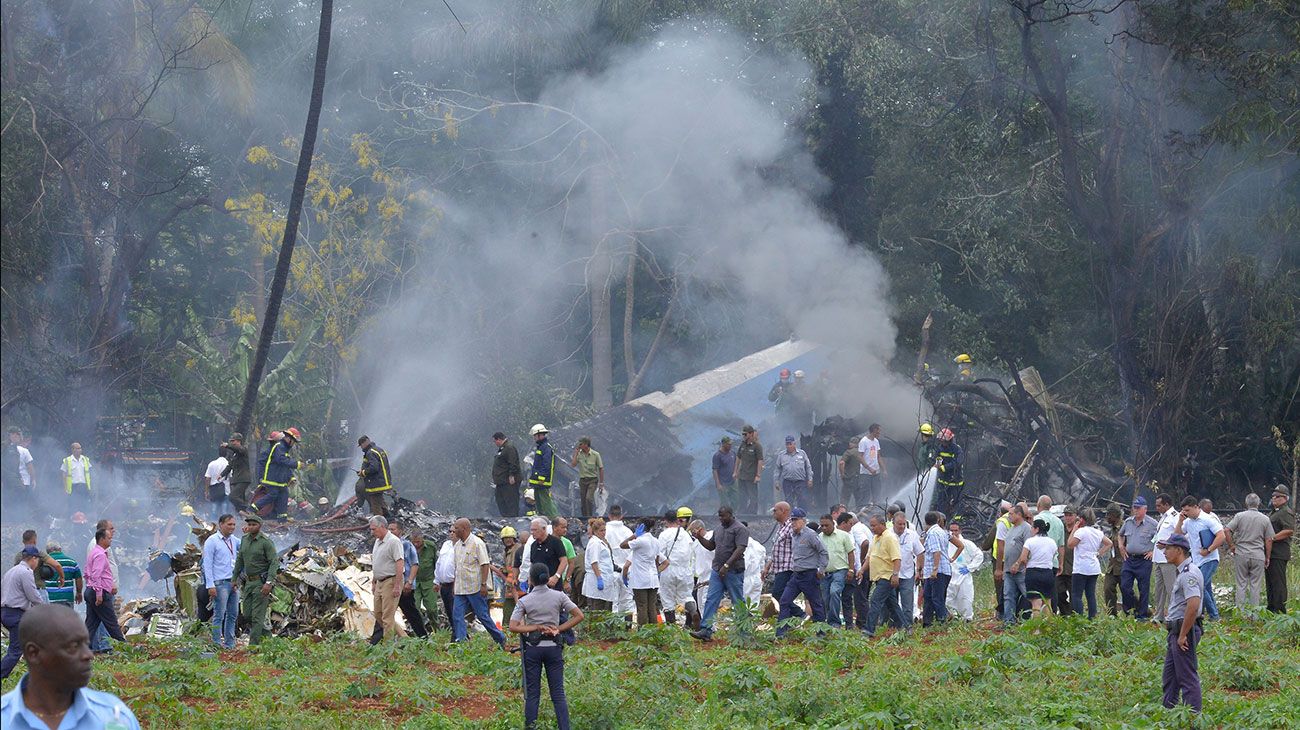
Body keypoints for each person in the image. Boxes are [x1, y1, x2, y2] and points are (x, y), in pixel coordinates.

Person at [0, 604, 142, 730]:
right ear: (34, 653)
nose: (88, 655)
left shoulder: (114, 717)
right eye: (74, 646)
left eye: (86, 645)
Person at [510, 562, 584, 730]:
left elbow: (514, 626)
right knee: (558, 694)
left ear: (530, 580)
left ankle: (531, 727)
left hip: (533, 649)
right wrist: (559, 628)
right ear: (547, 578)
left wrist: (535, 627)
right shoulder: (559, 596)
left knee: (533, 694)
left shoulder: (525, 601)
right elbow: (579, 615)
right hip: (553, 648)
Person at [1157, 533, 1203, 712]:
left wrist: (1183, 634)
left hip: (1184, 631)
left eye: (1168, 549)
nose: (1165, 552)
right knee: (1170, 676)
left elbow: (1193, 605)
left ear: (1179, 550)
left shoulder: (1188, 574)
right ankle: (1168, 710)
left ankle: (1192, 716)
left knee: (1186, 676)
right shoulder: (1184, 572)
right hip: (1177, 631)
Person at [689, 507, 749, 641]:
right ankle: (706, 630)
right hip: (717, 570)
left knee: (737, 600)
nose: (721, 519)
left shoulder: (740, 529)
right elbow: (711, 546)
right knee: (711, 599)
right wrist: (699, 537)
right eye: (720, 516)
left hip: (733, 570)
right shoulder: (719, 529)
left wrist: (727, 565)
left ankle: (744, 632)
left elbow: (740, 549)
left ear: (731, 515)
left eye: (724, 516)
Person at [451, 518, 507, 647]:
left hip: (475, 587)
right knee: (457, 615)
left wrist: (483, 585)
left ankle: (500, 638)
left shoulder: (477, 543)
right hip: (460, 588)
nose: (454, 530)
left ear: (464, 528)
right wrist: (455, 585)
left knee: (482, 616)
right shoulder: (457, 545)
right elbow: (457, 567)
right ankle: (462, 643)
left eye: (456, 528)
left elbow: (485, 565)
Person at [774, 508, 827, 638]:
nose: (793, 522)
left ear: (803, 520)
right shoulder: (794, 535)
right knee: (784, 601)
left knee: (816, 604)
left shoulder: (810, 535)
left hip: (809, 575)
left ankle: (821, 633)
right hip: (796, 575)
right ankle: (781, 632)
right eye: (792, 520)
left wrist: (821, 569)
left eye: (796, 520)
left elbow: (823, 552)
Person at [1173, 496, 1224, 620]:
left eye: (1188, 510)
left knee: (1199, 586)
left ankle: (1213, 615)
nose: (1186, 513)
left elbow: (1221, 535)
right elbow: (1177, 535)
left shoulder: (1208, 519)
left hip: (1209, 559)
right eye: (1184, 511)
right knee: (1206, 587)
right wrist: (1180, 521)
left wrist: (1209, 549)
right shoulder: (1188, 522)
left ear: (1196, 507)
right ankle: (1210, 613)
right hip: (1196, 560)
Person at [233, 514, 277, 645]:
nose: (251, 527)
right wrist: (234, 578)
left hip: (261, 583)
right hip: (248, 582)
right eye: (249, 524)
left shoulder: (265, 542)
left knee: (257, 616)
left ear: (260, 526)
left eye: (254, 525)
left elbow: (274, 563)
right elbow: (240, 559)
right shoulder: (245, 539)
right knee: (247, 614)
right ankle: (268, 637)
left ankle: (253, 646)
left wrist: (269, 582)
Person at [1220, 493, 1271, 608]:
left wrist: (1232, 545)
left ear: (1246, 503)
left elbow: (1227, 530)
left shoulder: (1239, 516)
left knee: (1241, 584)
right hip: (1258, 554)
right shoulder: (1265, 519)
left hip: (1241, 553)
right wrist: (1267, 556)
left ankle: (1240, 613)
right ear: (1258, 503)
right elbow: (1268, 539)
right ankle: (1255, 614)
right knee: (1255, 585)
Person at [2, 548, 45, 679]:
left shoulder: (11, 571)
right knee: (16, 650)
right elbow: (33, 595)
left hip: (6, 612)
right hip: (16, 614)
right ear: (33, 559)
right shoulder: (26, 572)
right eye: (37, 560)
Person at [201, 514, 240, 649]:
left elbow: (246, 547)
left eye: (234, 525)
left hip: (233, 583)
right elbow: (207, 564)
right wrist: (210, 585)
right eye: (229, 524)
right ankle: (216, 643)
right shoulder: (212, 541)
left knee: (233, 614)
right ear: (220, 524)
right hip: (220, 583)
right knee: (219, 614)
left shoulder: (234, 540)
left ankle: (230, 643)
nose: (232, 527)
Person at [761, 502, 805, 622]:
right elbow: (776, 549)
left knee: (778, 594)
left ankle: (801, 615)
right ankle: (788, 622)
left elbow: (799, 544)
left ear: (784, 511)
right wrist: (767, 567)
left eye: (775, 511)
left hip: (788, 567)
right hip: (779, 567)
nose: (773, 513)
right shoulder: (781, 527)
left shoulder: (791, 526)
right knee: (783, 596)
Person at [83, 527, 126, 650]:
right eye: (108, 538)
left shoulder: (93, 552)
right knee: (111, 622)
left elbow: (87, 572)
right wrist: (99, 594)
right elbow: (96, 574)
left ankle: (82, 649)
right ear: (101, 539)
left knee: (91, 624)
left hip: (90, 590)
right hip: (99, 593)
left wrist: (91, 587)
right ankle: (124, 647)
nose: (111, 540)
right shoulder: (100, 554)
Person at [1117, 496, 1160, 620]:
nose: (1135, 510)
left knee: (1143, 588)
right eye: (1134, 508)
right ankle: (1129, 610)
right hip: (1129, 559)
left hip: (1144, 560)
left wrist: (1153, 551)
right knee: (1125, 585)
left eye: (1138, 508)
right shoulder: (1128, 522)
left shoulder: (1152, 524)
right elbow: (1120, 535)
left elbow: (1160, 537)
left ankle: (1142, 615)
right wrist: (1121, 546)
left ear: (1145, 509)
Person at [919, 511, 962, 627]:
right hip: (938, 570)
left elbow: (936, 552)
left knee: (936, 598)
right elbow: (960, 545)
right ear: (938, 520)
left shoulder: (933, 533)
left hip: (937, 571)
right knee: (929, 597)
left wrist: (934, 569)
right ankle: (927, 623)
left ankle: (943, 621)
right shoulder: (943, 533)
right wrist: (951, 559)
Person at [1067, 508, 1112, 619]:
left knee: (1076, 595)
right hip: (1094, 567)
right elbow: (1109, 543)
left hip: (1081, 567)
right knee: (1090, 594)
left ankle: (1079, 618)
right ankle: (1092, 617)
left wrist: (1074, 529)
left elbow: (1070, 544)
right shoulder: (1097, 532)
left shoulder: (1081, 532)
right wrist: (1098, 553)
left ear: (1082, 519)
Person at [864, 515, 904, 636]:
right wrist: (861, 570)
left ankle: (869, 629)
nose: (872, 528)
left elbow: (897, 558)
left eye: (874, 525)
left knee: (875, 600)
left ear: (882, 524)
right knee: (891, 604)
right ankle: (904, 626)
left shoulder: (890, 538)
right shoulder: (876, 538)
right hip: (877, 576)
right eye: (871, 525)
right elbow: (870, 557)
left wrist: (895, 575)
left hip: (886, 576)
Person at [388, 521, 429, 639]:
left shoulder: (406, 545)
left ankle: (423, 638)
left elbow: (414, 564)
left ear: (400, 531)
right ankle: (377, 641)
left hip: (404, 586)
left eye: (393, 529)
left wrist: (409, 582)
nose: (390, 532)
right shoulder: (386, 545)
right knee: (385, 613)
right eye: (389, 529)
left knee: (411, 613)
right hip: (389, 585)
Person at [657, 508, 698, 627]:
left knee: (667, 599)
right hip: (685, 570)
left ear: (665, 521)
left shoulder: (664, 534)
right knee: (687, 596)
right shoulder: (686, 535)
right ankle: (693, 612)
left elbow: (659, 553)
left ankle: (672, 628)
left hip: (668, 569)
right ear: (677, 519)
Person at [621, 518, 664, 626]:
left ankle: (643, 632)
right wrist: (656, 572)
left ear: (641, 527)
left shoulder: (640, 540)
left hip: (640, 580)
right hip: (653, 579)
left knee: (642, 606)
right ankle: (653, 632)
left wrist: (635, 535)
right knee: (652, 607)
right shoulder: (656, 541)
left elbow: (622, 545)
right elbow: (657, 560)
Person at [253, 428, 301, 521]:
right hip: (272, 479)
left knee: (283, 496)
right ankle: (252, 509)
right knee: (273, 495)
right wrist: (261, 479)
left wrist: (290, 477)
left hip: (280, 480)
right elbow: (282, 461)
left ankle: (282, 520)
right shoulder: (278, 448)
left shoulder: (283, 449)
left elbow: (284, 467)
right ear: (288, 438)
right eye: (293, 441)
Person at [818, 514, 854, 628]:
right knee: (826, 597)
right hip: (825, 573)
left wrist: (851, 570)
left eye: (826, 525)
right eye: (822, 525)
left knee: (834, 592)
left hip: (840, 571)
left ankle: (835, 623)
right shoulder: (819, 537)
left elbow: (850, 553)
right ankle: (829, 622)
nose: (824, 528)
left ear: (833, 524)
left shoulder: (843, 536)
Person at [999, 505, 1033, 625]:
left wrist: (1019, 563)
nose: (1009, 516)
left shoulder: (1026, 528)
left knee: (1028, 595)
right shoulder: (1011, 529)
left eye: (1011, 514)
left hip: (1021, 570)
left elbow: (1028, 549)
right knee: (1008, 595)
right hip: (1008, 569)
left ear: (1019, 515)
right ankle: (1009, 621)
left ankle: (1033, 619)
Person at [1017, 519, 1057, 618]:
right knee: (1047, 602)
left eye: (1032, 527)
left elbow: (1023, 558)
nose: (1031, 529)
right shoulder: (1052, 542)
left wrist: (1026, 565)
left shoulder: (1030, 541)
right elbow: (1052, 556)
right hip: (1048, 573)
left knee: (1036, 603)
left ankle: (1036, 629)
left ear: (1037, 529)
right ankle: (1049, 627)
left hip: (1033, 573)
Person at [1150, 493, 1180, 622]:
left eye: (1159, 505)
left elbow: (1179, 534)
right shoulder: (1163, 517)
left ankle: (1174, 614)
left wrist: (1168, 544)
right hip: (1158, 557)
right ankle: (1159, 615)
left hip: (1168, 558)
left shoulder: (1175, 516)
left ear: (1167, 504)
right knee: (1159, 589)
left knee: (1171, 587)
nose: (1157, 508)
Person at [891, 512, 924, 628]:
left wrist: (919, 570)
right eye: (899, 524)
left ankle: (907, 626)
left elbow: (920, 552)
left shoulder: (912, 535)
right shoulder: (887, 535)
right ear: (893, 523)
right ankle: (892, 626)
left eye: (904, 524)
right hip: (891, 574)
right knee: (891, 602)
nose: (901, 527)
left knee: (907, 602)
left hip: (908, 573)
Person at [945, 522, 983, 621]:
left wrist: (970, 567)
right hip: (950, 575)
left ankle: (967, 618)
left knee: (965, 597)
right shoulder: (946, 543)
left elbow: (979, 555)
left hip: (963, 576)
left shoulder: (967, 544)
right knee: (948, 598)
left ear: (960, 531)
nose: (953, 533)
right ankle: (953, 617)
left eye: (955, 530)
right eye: (951, 530)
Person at [1266, 485, 1294, 613]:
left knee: (1278, 582)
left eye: (1277, 497)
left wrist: (1272, 538)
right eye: (1273, 496)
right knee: (1270, 582)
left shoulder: (1285, 512)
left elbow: (1289, 530)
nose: (1274, 499)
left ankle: (1280, 609)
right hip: (1271, 553)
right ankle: (1271, 607)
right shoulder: (1275, 511)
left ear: (1285, 498)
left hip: (1279, 552)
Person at [603, 506, 634, 617]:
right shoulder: (628, 531)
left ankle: (614, 630)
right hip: (627, 570)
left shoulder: (604, 531)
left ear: (609, 515)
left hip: (610, 571)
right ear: (621, 516)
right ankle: (627, 628)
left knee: (613, 602)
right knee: (627, 601)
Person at [582, 519, 619, 611]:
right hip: (598, 579)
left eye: (604, 530)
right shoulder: (595, 543)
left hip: (606, 578)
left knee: (605, 607)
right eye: (601, 531)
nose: (603, 533)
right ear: (595, 531)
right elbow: (594, 562)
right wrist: (599, 578)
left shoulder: (601, 542)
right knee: (598, 609)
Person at [411, 529, 441, 633]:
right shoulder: (408, 547)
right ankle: (419, 632)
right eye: (414, 542)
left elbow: (437, 563)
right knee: (415, 608)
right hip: (414, 582)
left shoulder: (431, 547)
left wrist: (438, 581)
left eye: (418, 542)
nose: (416, 544)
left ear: (422, 539)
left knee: (431, 609)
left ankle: (436, 630)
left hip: (429, 581)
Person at [356, 436, 394, 519]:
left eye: (361, 445)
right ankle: (389, 519)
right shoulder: (379, 450)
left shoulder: (370, 452)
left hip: (376, 483)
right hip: (383, 481)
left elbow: (374, 467)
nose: (361, 447)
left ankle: (379, 524)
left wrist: (363, 472)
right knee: (380, 501)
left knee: (375, 504)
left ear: (365, 442)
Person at [836, 513, 863, 628]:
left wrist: (856, 568)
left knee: (847, 598)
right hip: (837, 570)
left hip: (850, 571)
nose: (852, 526)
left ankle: (849, 625)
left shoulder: (850, 535)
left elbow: (854, 554)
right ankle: (833, 623)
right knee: (834, 596)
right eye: (850, 524)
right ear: (843, 523)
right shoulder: (835, 535)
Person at [773, 436, 814, 510]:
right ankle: (790, 518)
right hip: (787, 482)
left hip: (800, 481)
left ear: (794, 444)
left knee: (802, 499)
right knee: (788, 501)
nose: (788, 446)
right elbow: (777, 469)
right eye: (787, 444)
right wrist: (776, 481)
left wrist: (810, 479)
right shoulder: (781, 455)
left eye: (790, 444)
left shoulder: (802, 453)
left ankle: (802, 517)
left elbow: (808, 467)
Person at [527, 424, 558, 518]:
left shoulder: (546, 447)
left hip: (542, 480)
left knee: (545, 501)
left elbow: (546, 464)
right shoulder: (541, 447)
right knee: (539, 501)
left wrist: (542, 478)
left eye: (535, 436)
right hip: (537, 480)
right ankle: (542, 518)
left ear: (540, 435)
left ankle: (553, 519)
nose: (534, 438)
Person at [569, 437, 604, 519]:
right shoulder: (579, 454)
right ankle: (585, 517)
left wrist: (601, 483)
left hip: (593, 480)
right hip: (583, 480)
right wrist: (576, 453)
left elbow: (601, 468)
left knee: (588, 498)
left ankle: (590, 517)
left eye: (581, 444)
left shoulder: (595, 455)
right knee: (583, 500)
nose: (579, 446)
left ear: (586, 445)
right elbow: (573, 464)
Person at [933, 429, 964, 518]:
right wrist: (938, 464)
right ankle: (940, 519)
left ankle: (957, 520)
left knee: (956, 501)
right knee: (941, 501)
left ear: (949, 440)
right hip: (943, 481)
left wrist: (945, 467)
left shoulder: (957, 449)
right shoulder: (940, 448)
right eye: (941, 441)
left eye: (944, 441)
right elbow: (937, 458)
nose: (943, 443)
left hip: (956, 481)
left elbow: (958, 462)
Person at [733, 425, 764, 516]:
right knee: (742, 495)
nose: (744, 436)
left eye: (745, 434)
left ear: (751, 434)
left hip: (751, 476)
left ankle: (752, 513)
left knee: (752, 496)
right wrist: (735, 471)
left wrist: (758, 475)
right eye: (743, 434)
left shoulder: (757, 446)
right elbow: (738, 458)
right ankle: (742, 512)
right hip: (742, 475)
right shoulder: (742, 445)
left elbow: (760, 460)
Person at [40, 543, 81, 610]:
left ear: (47, 552)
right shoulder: (72, 562)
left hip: (50, 598)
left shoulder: (44, 563)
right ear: (60, 549)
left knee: (51, 620)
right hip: (67, 598)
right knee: (67, 619)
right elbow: (78, 578)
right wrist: (79, 593)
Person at [492, 432, 522, 518]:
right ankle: (505, 518)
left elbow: (513, 462)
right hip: (501, 482)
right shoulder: (502, 449)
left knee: (511, 502)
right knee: (500, 501)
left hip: (509, 482)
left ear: (499, 439)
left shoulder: (509, 448)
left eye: (495, 441)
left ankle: (513, 519)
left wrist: (511, 475)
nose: (495, 443)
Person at [1101, 506, 1125, 616]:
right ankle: (1112, 614)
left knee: (1126, 591)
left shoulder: (1125, 527)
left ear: (1115, 516)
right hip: (1112, 565)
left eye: (1109, 515)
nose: (1107, 518)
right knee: (1108, 588)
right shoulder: (1113, 529)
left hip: (1124, 565)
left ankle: (1139, 610)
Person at [220, 433, 252, 513]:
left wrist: (227, 446)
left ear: (238, 441)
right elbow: (230, 466)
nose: (232, 443)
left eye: (233, 441)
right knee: (239, 501)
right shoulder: (235, 455)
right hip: (236, 480)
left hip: (243, 479)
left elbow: (238, 449)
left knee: (232, 497)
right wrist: (221, 474)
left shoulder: (243, 450)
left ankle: (248, 508)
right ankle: (245, 516)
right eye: (231, 441)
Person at [5, 428, 36, 508]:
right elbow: (30, 468)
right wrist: (33, 480)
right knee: (24, 504)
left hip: (9, 482)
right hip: (24, 482)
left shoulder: (5, 450)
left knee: (12, 504)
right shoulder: (24, 451)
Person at [990, 501, 1012, 617]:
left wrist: (998, 568)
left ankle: (1002, 612)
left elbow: (995, 542)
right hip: (1013, 558)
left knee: (1001, 587)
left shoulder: (1002, 522)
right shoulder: (1018, 521)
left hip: (1000, 559)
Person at [59, 443, 92, 514]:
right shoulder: (67, 460)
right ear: (73, 450)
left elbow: (89, 472)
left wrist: (90, 486)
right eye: (78, 448)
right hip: (73, 487)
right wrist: (65, 488)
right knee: (73, 506)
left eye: (80, 448)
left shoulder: (85, 459)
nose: (80, 450)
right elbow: (64, 474)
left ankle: (84, 522)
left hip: (84, 486)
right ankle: (72, 523)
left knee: (84, 506)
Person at [1055, 507, 1077, 617]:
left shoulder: (1079, 530)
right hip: (1061, 568)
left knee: (1074, 595)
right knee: (1059, 594)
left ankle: (1073, 616)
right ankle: (1065, 614)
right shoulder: (1060, 529)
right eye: (1066, 515)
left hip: (1075, 568)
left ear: (1075, 516)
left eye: (1070, 515)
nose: (1067, 517)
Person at [857, 424, 886, 504]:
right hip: (865, 474)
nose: (880, 433)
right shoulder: (864, 441)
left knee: (877, 493)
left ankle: (875, 510)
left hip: (876, 473)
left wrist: (884, 469)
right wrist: (869, 468)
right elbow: (860, 457)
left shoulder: (876, 441)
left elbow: (878, 456)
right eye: (878, 431)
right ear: (874, 431)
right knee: (865, 495)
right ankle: (862, 510)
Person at [203, 447, 230, 518]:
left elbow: (208, 478)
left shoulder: (212, 464)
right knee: (225, 513)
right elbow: (231, 477)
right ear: (226, 454)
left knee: (214, 510)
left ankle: (214, 526)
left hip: (214, 491)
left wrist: (206, 491)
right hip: (226, 490)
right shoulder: (228, 464)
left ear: (219, 453)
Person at [712, 438, 738, 511]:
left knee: (736, 500)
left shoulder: (732, 453)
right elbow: (715, 470)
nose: (730, 446)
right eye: (728, 444)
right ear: (723, 444)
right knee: (725, 503)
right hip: (723, 483)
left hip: (733, 482)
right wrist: (718, 484)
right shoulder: (717, 455)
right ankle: (724, 517)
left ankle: (733, 514)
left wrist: (735, 472)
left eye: (731, 444)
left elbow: (736, 462)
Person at [839, 437, 862, 508]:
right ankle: (860, 512)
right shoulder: (862, 452)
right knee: (859, 498)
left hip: (849, 478)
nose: (849, 444)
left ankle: (843, 513)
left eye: (851, 442)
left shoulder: (848, 452)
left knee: (844, 498)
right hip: (859, 478)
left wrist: (842, 474)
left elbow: (841, 463)